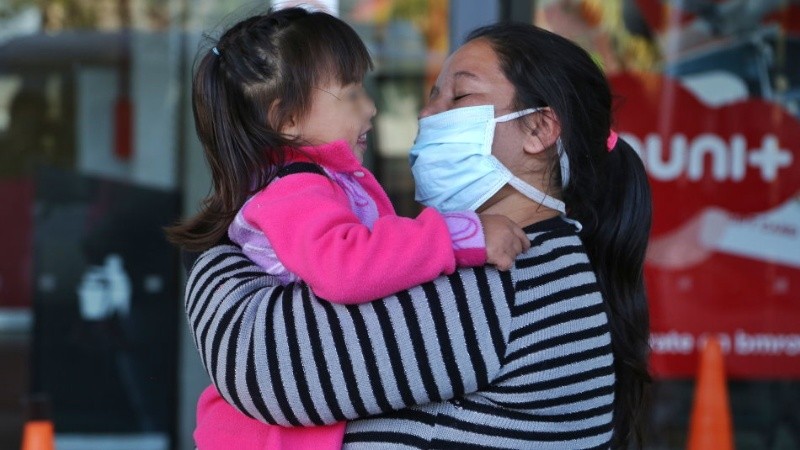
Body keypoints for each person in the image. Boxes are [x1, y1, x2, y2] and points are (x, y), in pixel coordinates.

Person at [183, 20, 653, 449]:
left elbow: (263, 369)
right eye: (433, 94)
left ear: (540, 128)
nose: (428, 116)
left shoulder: (501, 280)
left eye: (460, 98)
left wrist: (217, 259)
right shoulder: (539, 266)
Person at [166, 7, 531, 450]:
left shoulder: (317, 184)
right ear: (287, 120)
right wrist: (464, 236)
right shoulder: (294, 191)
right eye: (352, 93)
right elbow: (346, 266)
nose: (371, 107)